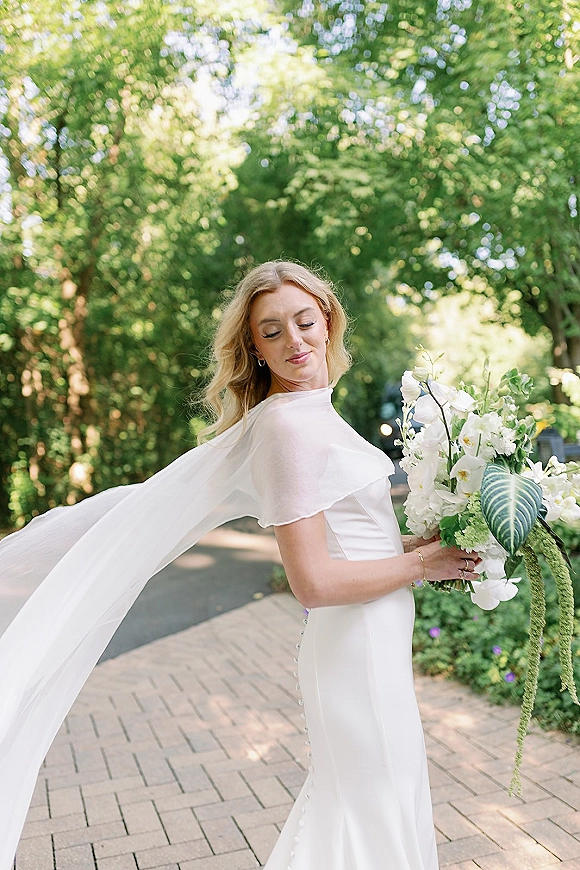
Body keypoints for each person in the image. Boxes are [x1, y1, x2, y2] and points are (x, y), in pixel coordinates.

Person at [0, 260, 479, 870]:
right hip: (353, 646)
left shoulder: (315, 410)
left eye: (305, 322)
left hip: (377, 639)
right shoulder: (284, 425)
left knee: (376, 803)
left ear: (329, 322)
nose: (295, 341)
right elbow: (312, 581)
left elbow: (350, 539)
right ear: (253, 347)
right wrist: (422, 567)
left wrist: (421, 547)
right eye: (272, 331)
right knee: (373, 808)